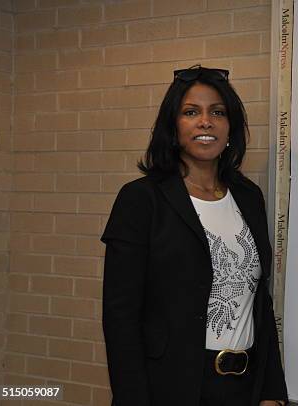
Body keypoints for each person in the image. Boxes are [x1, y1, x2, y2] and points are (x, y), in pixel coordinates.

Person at [101, 65, 288, 406]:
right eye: (191, 112)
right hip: (170, 388)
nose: (206, 121)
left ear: (230, 127)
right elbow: (120, 318)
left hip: (244, 388)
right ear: (173, 127)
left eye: (217, 112)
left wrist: (272, 392)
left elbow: (259, 302)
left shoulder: (248, 197)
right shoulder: (142, 200)